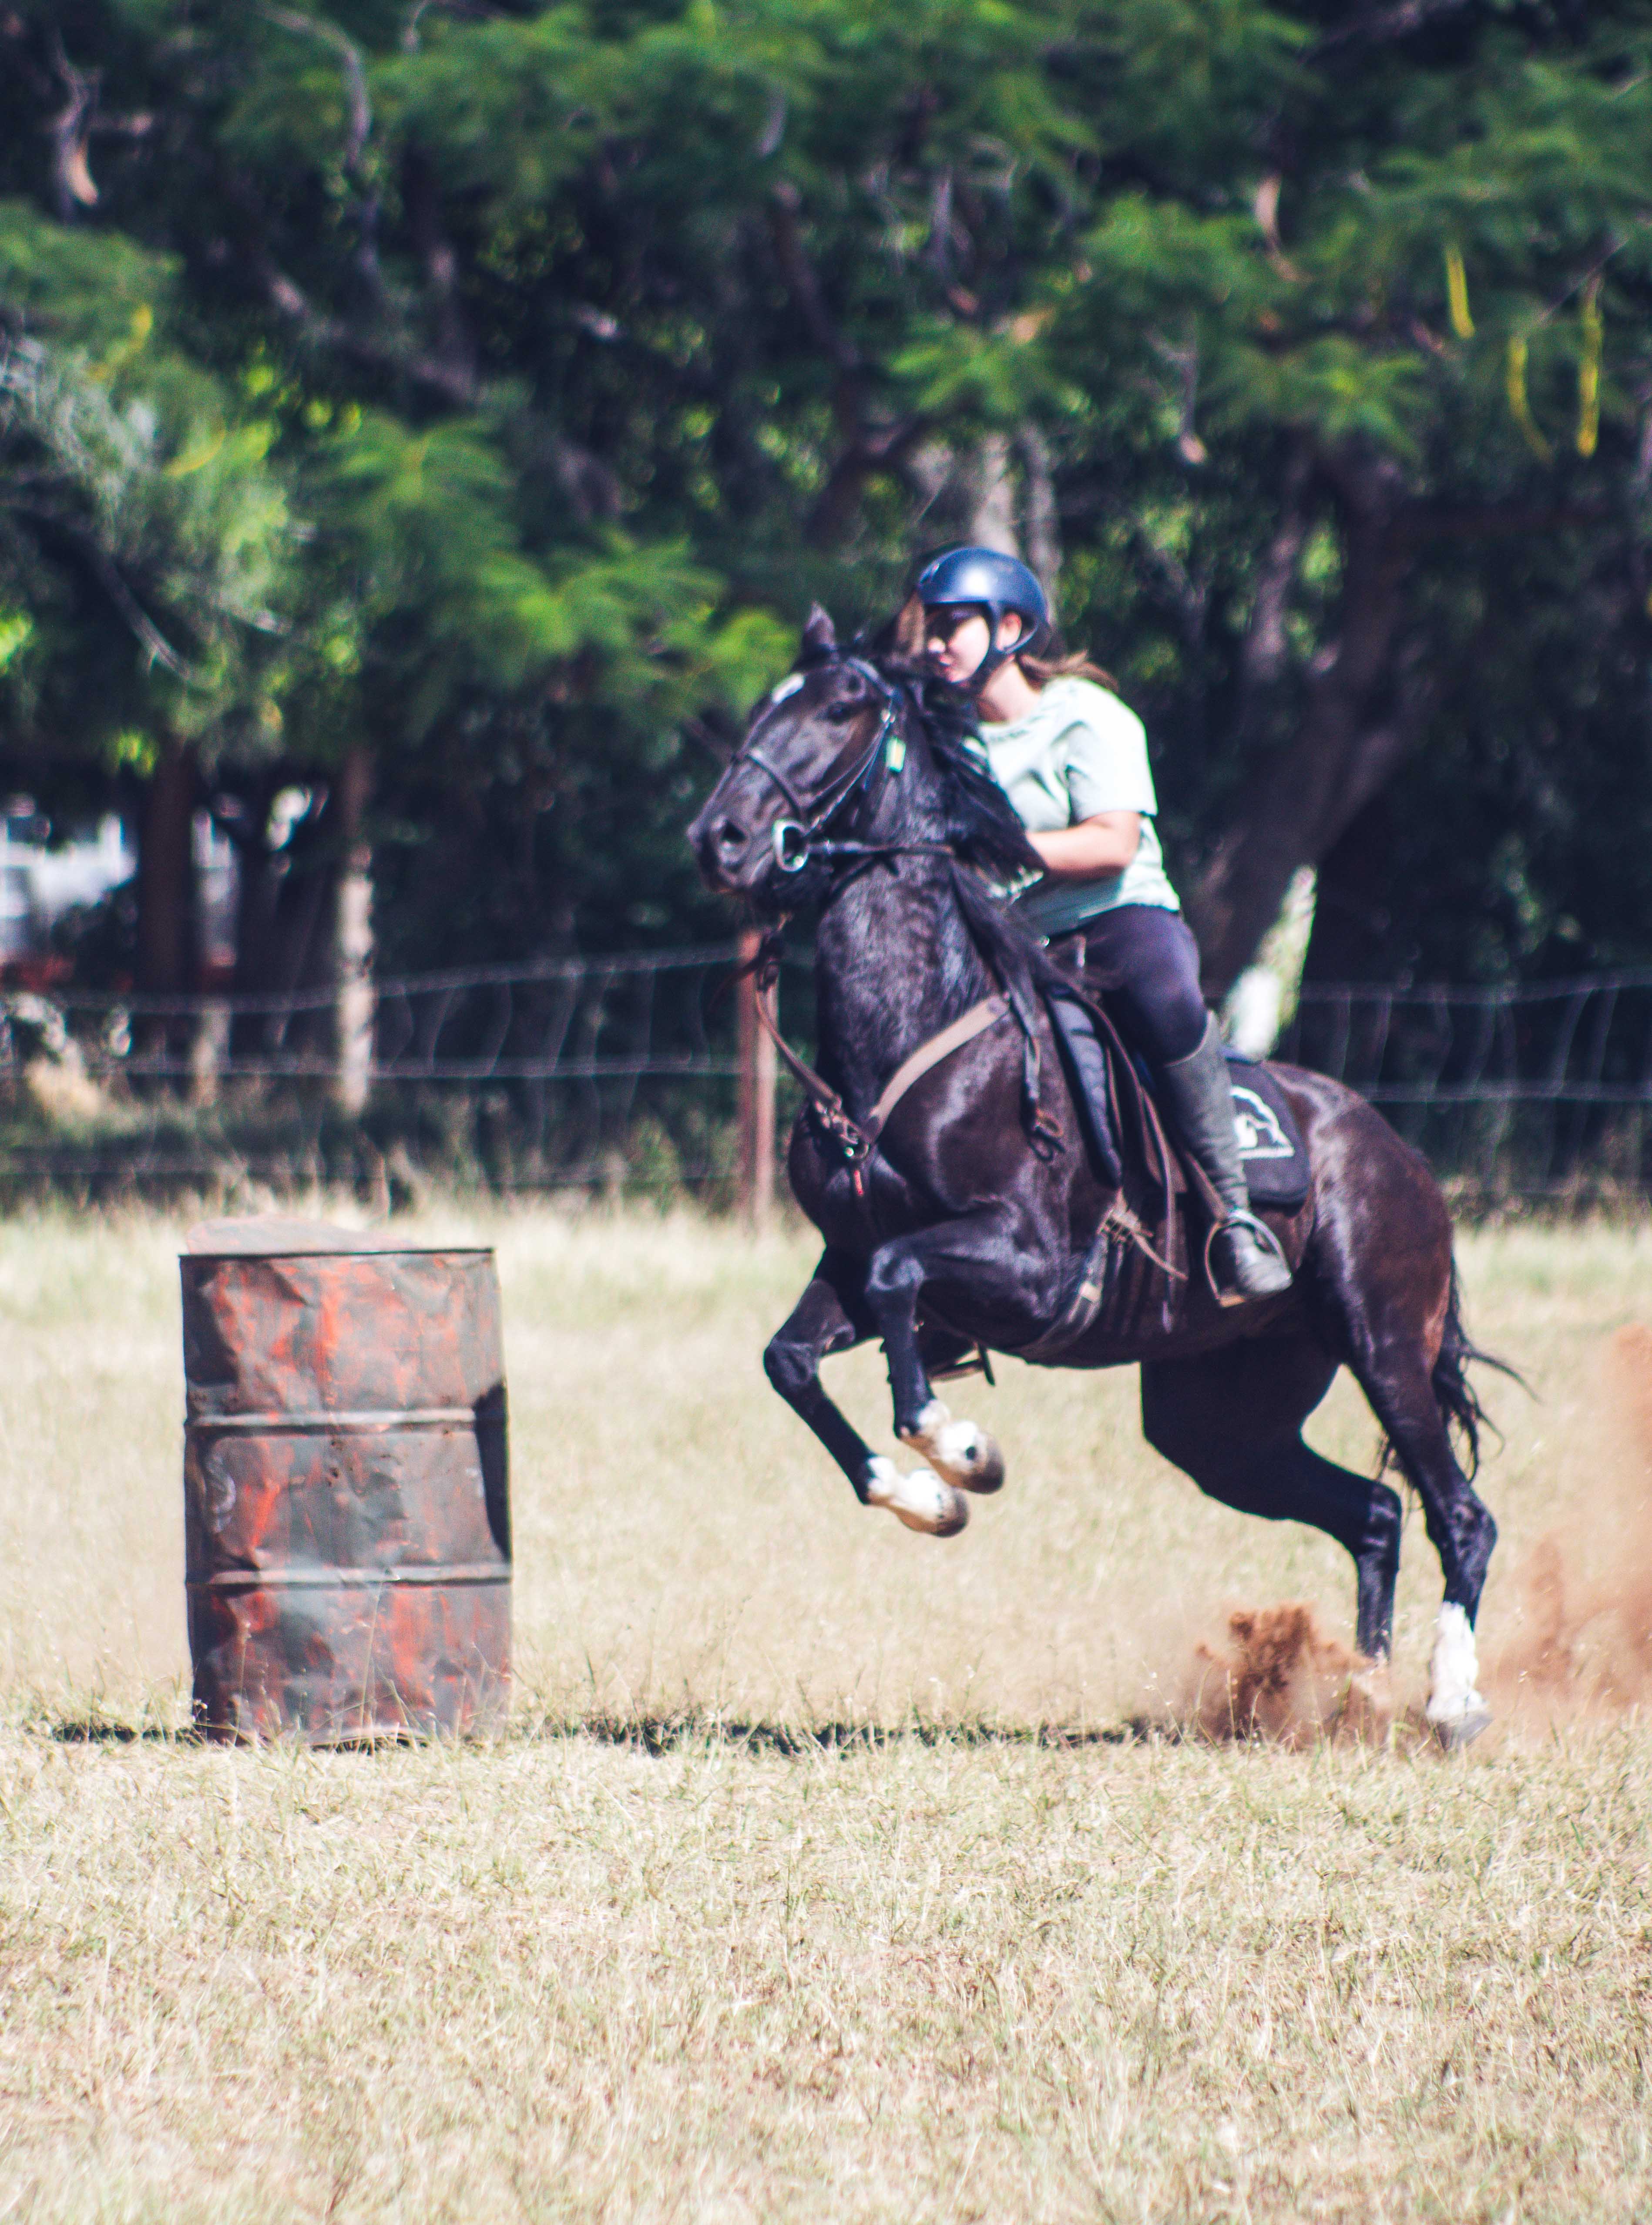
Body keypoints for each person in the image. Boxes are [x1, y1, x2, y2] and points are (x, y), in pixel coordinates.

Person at [914, 543, 1292, 1301]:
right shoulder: (945, 739)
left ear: (1010, 627)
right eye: (930, 627)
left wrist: (997, 848)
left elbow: (1113, 843)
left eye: (951, 627)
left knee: (1167, 994)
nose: (933, 645)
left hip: (1117, 918)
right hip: (1018, 938)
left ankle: (1235, 1217)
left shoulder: (1087, 715)